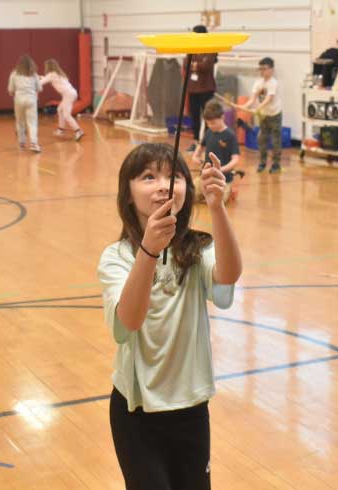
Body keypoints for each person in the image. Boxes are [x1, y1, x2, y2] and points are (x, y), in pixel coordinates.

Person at [98, 142, 242, 489]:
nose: (163, 185)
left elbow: (229, 274)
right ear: (127, 195)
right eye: (149, 177)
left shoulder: (198, 249)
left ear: (187, 190)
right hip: (136, 413)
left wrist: (217, 207)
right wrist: (149, 251)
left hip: (191, 407)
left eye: (173, 176)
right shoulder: (116, 257)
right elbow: (128, 322)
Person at [190, 100, 240, 204]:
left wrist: (221, 169)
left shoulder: (230, 135)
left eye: (213, 123)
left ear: (222, 117)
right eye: (207, 123)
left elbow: (235, 159)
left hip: (223, 180)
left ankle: (230, 191)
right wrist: (195, 157)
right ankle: (205, 193)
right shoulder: (208, 132)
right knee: (189, 195)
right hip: (205, 177)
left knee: (217, 201)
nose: (210, 125)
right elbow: (200, 147)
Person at [240, 57, 283, 173]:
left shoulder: (273, 83)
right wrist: (244, 106)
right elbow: (253, 98)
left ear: (271, 69)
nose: (262, 72)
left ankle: (276, 165)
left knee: (275, 140)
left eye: (264, 69)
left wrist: (257, 109)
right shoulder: (258, 83)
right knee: (262, 139)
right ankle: (262, 163)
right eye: (261, 69)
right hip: (263, 115)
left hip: (274, 115)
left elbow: (269, 99)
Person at [40, 59, 85, 142]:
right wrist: (41, 78)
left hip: (68, 95)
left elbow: (41, 82)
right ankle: (61, 130)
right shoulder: (60, 74)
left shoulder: (51, 75)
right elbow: (48, 79)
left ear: (48, 67)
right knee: (59, 110)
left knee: (66, 115)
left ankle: (78, 131)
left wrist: (36, 79)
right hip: (72, 93)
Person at [8, 54, 43, 152]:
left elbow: (11, 89)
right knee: (32, 122)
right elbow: (39, 88)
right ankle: (34, 144)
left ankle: (21, 144)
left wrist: (14, 93)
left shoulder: (14, 74)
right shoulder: (34, 74)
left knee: (20, 122)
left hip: (19, 99)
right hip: (31, 99)